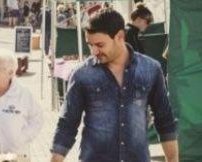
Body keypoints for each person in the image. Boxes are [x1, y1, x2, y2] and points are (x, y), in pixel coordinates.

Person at [50, 8, 179, 162]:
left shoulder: (151, 69)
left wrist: (173, 159)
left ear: (119, 37)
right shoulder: (81, 75)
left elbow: (165, 120)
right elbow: (67, 125)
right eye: (90, 45)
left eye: (100, 44)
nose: (94, 51)